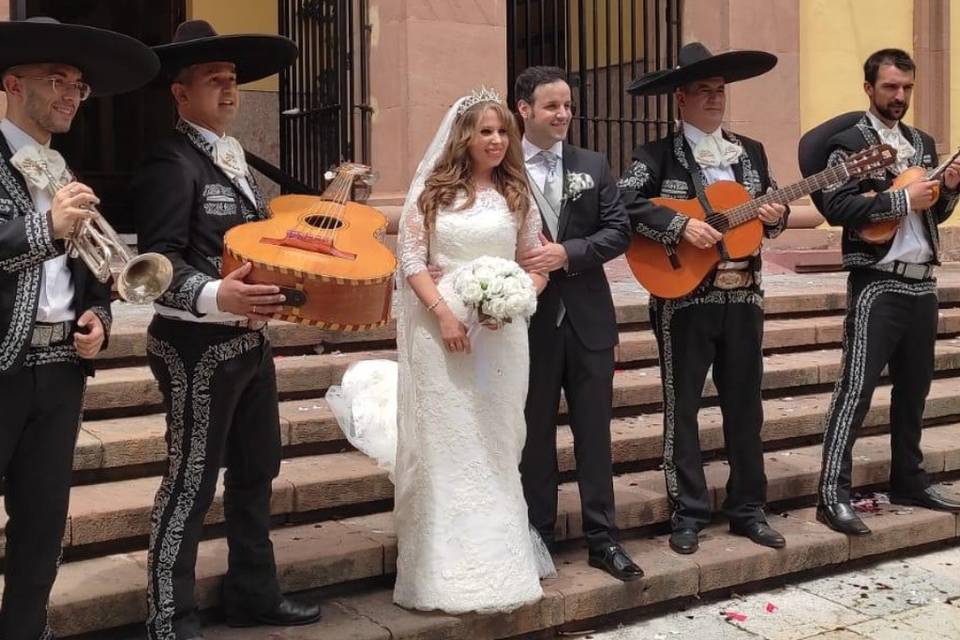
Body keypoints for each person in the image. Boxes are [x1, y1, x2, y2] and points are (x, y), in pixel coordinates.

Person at [329, 87, 554, 614]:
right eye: (486, 131)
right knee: (448, 444)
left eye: (503, 131)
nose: (497, 140)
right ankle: (439, 568)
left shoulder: (516, 193)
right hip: (441, 333)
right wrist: (446, 314)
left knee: (497, 443)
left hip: (500, 338)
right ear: (465, 137)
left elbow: (536, 262)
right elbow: (409, 259)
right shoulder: (433, 191)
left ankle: (503, 563)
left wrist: (517, 298)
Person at [130, 20, 320, 640]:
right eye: (215, 81)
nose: (230, 90)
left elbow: (257, 248)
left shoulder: (235, 161)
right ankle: (168, 616)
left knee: (255, 473)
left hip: (247, 345)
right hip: (193, 348)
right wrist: (217, 293)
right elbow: (155, 265)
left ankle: (253, 594)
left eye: (234, 80)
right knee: (189, 481)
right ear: (181, 95)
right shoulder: (169, 159)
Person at [0, 17, 157, 639]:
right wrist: (46, 229)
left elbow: (89, 270)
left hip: (60, 369)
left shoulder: (63, 169)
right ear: (12, 83)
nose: (71, 93)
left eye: (79, 86)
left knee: (41, 527)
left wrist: (99, 313)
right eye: (57, 79)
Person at [618, 43, 787, 555]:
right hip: (685, 298)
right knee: (683, 408)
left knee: (745, 407)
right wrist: (678, 225)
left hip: (744, 297)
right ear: (681, 99)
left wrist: (775, 217)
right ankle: (687, 513)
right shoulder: (654, 155)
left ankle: (748, 509)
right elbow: (624, 203)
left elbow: (767, 210)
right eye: (704, 91)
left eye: (720, 91)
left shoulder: (750, 152)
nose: (714, 99)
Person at [814, 49, 960, 535]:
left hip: (922, 281)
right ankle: (830, 493)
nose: (900, 97)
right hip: (877, 282)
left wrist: (950, 189)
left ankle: (908, 479)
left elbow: (932, 213)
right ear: (869, 88)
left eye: (907, 89)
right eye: (891, 87)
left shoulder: (922, 142)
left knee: (914, 390)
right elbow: (835, 205)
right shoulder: (849, 143)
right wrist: (900, 197)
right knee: (855, 389)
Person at [512, 66, 643, 581]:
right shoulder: (503, 166)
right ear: (524, 109)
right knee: (534, 435)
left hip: (589, 320)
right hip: (529, 323)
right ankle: (536, 536)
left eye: (567, 105)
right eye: (551, 106)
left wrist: (567, 253)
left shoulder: (593, 163)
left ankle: (603, 538)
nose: (563, 114)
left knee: (596, 433)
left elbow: (619, 232)